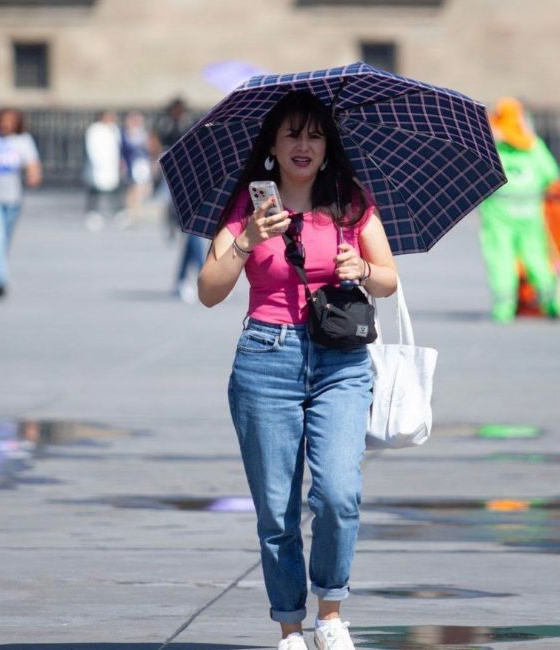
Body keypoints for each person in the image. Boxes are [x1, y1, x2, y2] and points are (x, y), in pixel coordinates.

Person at [196, 90, 397, 650]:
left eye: (314, 135)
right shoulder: (248, 207)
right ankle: (290, 626)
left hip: (341, 361)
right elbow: (209, 292)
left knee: (337, 493)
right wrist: (246, 240)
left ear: (328, 145)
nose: (303, 145)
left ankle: (330, 613)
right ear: (273, 147)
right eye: (292, 135)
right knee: (277, 510)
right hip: (266, 358)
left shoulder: (351, 202)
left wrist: (361, 267)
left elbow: (389, 278)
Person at [476, 97, 560, 323]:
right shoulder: (532, 145)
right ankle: (551, 302)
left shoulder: (491, 145)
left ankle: (504, 309)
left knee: (500, 258)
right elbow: (551, 173)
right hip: (529, 212)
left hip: (498, 215)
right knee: (536, 256)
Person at [0, 108, 41, 298]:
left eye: (10, 121)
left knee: (4, 242)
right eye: (3, 120)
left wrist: (33, 176)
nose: (6, 124)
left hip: (13, 200)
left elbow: (33, 165)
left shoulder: (23, 141)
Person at [153, 97, 207, 302]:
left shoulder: (190, 124)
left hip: (189, 181)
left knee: (191, 234)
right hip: (173, 181)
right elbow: (155, 143)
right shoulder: (164, 124)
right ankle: (203, 276)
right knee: (191, 233)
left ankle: (183, 280)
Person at [83, 110, 123, 231]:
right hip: (98, 166)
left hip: (111, 166)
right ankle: (92, 213)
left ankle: (118, 213)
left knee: (115, 191)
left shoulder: (114, 129)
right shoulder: (95, 130)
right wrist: (98, 162)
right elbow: (92, 148)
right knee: (95, 191)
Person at [120, 110, 152, 225]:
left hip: (142, 163)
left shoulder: (143, 133)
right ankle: (131, 211)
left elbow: (149, 149)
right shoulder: (125, 133)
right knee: (132, 188)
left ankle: (137, 210)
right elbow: (123, 150)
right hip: (131, 163)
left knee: (142, 188)